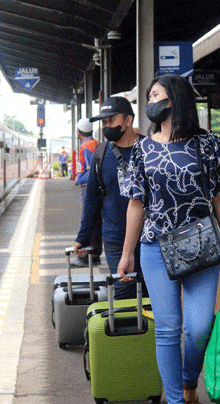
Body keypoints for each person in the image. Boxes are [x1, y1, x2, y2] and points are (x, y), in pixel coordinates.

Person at [118, 75, 220, 404]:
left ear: (175, 99)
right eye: (150, 96)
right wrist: (127, 254)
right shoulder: (142, 149)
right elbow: (136, 204)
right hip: (156, 246)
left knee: (200, 326)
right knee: (169, 328)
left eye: (155, 94)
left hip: (202, 245)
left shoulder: (208, 144)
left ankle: (189, 381)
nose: (150, 101)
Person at [73, 96, 142, 297]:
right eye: (104, 122)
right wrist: (83, 237)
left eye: (111, 120)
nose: (107, 126)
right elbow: (92, 198)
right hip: (114, 237)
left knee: (148, 295)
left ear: (128, 120)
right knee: (122, 293)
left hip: (148, 237)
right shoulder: (101, 152)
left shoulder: (149, 148)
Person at [72, 117, 101, 267]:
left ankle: (86, 256)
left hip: (87, 186)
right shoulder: (95, 144)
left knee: (88, 219)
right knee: (94, 220)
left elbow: (90, 169)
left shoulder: (86, 147)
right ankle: (94, 254)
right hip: (91, 185)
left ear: (78, 132)